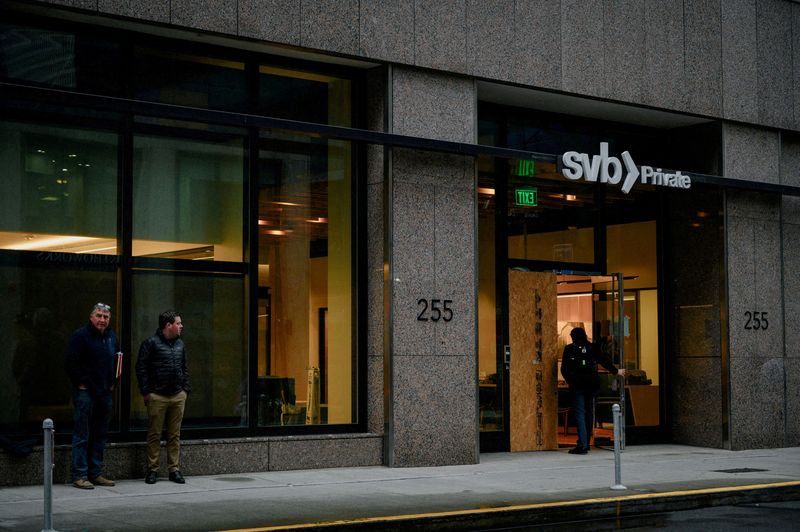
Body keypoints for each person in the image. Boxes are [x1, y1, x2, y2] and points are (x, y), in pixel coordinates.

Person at [64, 303, 120, 489]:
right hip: (85, 393)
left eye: (105, 316)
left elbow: (117, 361)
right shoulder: (80, 336)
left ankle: (95, 473)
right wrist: (81, 383)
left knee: (100, 434)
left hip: (104, 392)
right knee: (82, 434)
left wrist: (113, 382)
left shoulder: (111, 337)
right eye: (99, 315)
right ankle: (79, 474)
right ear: (91, 317)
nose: (102, 320)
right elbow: (71, 362)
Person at [136, 310, 189, 484]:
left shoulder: (180, 344)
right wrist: (146, 392)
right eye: (178, 323)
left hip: (177, 395)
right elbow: (141, 368)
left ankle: (174, 470)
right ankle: (152, 470)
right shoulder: (150, 343)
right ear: (168, 325)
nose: (181, 326)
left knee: (175, 435)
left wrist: (185, 389)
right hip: (157, 396)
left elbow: (184, 367)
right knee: (154, 434)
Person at [560, 327, 625, 455]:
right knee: (588, 412)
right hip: (591, 385)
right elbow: (603, 361)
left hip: (577, 386)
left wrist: (570, 380)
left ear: (573, 337)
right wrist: (616, 371)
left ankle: (582, 445)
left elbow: (564, 369)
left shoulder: (569, 349)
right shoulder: (593, 347)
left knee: (580, 413)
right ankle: (586, 443)